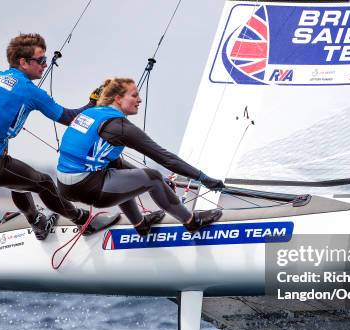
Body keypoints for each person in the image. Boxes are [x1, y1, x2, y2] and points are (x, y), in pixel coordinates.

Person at [0, 33, 117, 240]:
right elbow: (69, 118)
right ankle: (84, 221)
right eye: (40, 60)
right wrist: (93, 102)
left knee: (18, 178)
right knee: (44, 183)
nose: (45, 65)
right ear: (23, 62)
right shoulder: (29, 91)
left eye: (45, 60)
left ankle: (37, 222)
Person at [56, 77, 225, 236]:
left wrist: (160, 185)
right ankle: (192, 222)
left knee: (118, 167)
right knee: (153, 177)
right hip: (88, 187)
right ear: (117, 98)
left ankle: (141, 225)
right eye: (134, 95)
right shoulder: (118, 126)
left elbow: (115, 164)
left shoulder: (92, 113)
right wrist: (202, 178)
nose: (140, 100)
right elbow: (166, 158)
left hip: (65, 186)